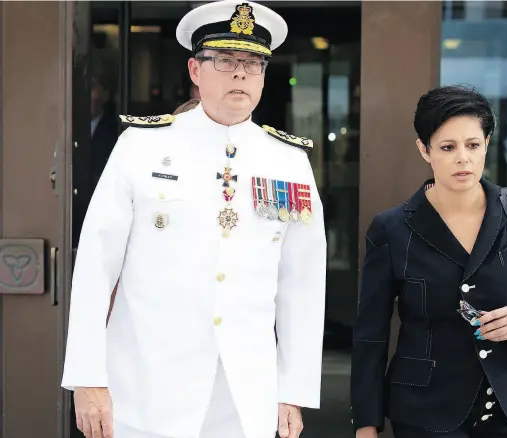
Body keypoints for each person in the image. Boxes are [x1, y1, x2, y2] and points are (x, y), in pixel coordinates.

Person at [61, 2, 327, 438]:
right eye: (225, 60)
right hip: (148, 388)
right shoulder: (141, 147)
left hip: (244, 395)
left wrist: (292, 389)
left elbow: (302, 284)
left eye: (253, 62)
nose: (240, 73)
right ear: (195, 70)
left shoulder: (288, 161)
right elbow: (96, 266)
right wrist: (88, 378)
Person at [350, 85, 507, 438]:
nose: (463, 158)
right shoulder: (391, 228)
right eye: (448, 147)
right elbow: (370, 333)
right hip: (424, 411)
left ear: (487, 143)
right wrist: (366, 423)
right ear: (424, 150)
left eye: (473, 145)